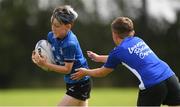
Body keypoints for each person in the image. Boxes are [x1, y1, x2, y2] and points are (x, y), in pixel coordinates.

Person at [71, 17, 180, 106]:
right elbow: (125, 57)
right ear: (131, 32)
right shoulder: (138, 40)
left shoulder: (118, 51)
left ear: (114, 34)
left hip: (153, 83)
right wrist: (99, 58)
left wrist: (85, 72)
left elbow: (102, 72)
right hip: (170, 77)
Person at [32, 5, 91, 106]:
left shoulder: (69, 44)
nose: (53, 29)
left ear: (68, 26)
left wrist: (46, 64)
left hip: (81, 83)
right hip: (71, 83)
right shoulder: (51, 36)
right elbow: (52, 57)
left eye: (57, 26)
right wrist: (38, 58)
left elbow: (67, 69)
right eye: (52, 25)